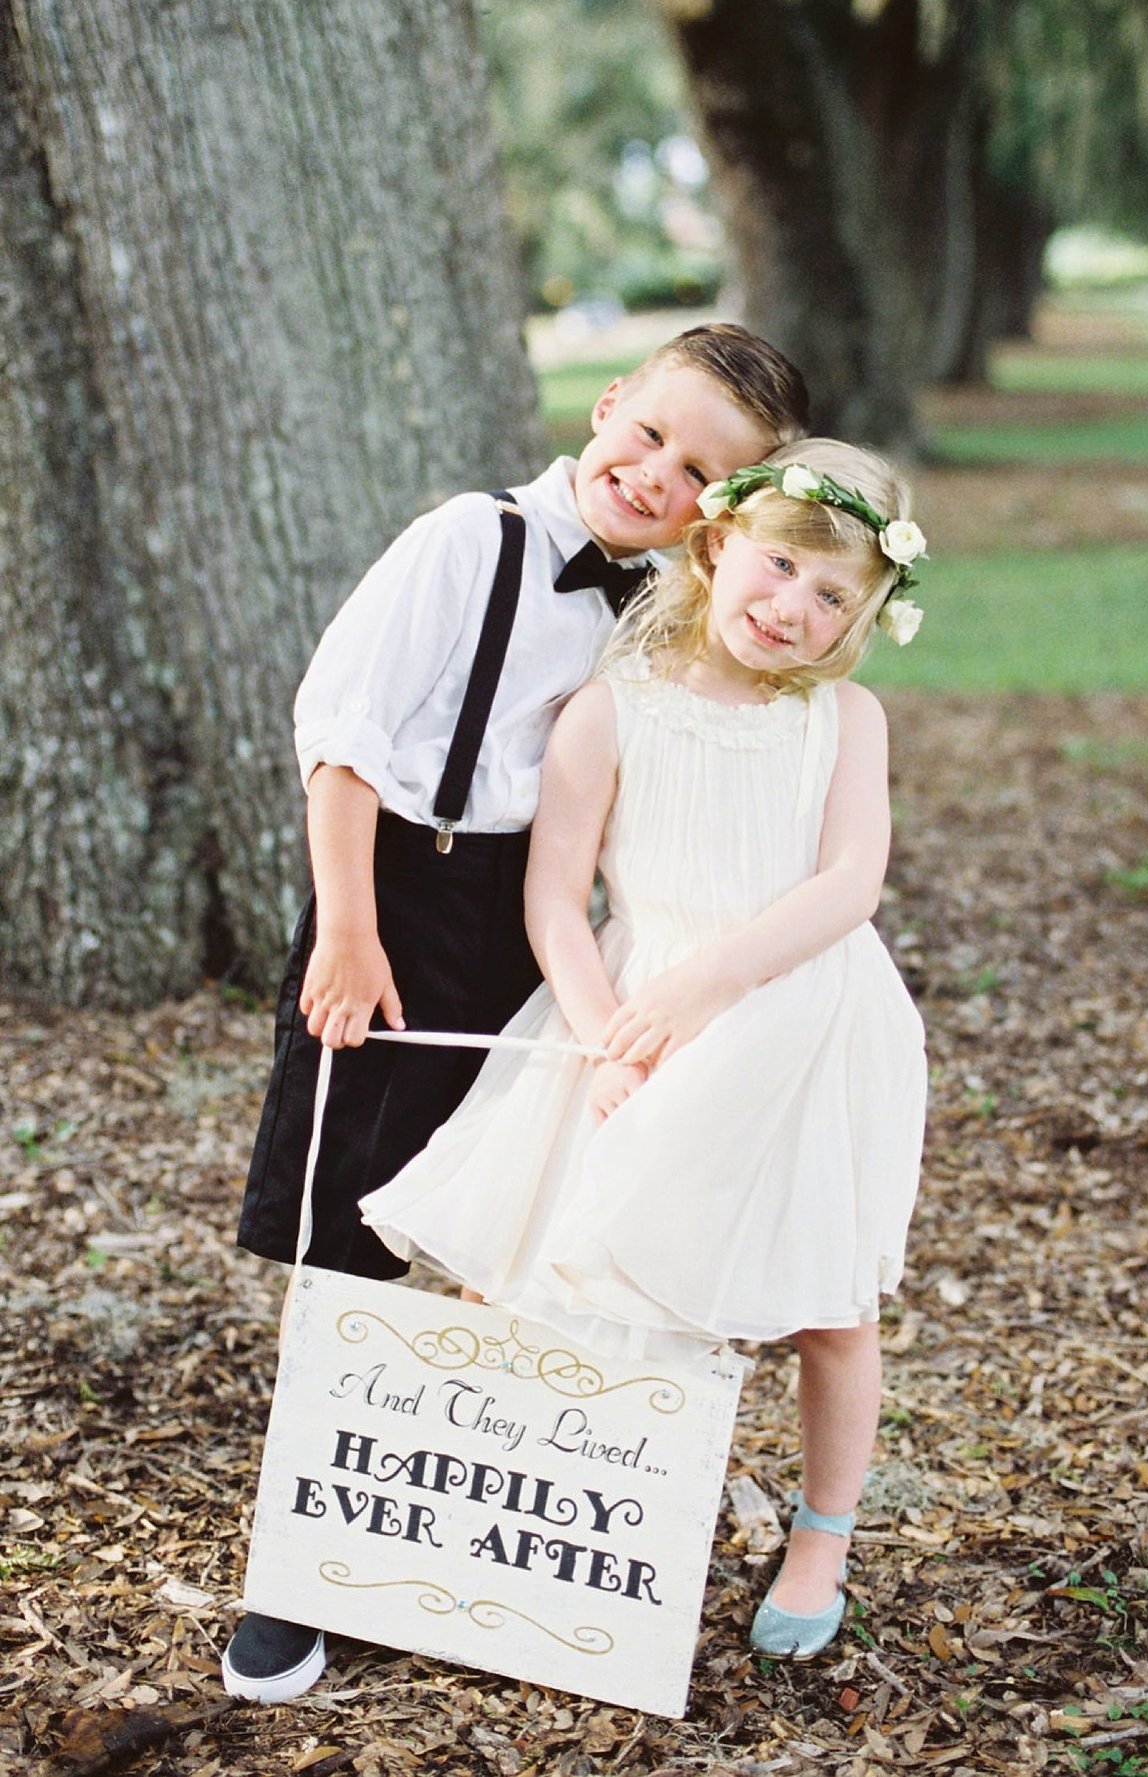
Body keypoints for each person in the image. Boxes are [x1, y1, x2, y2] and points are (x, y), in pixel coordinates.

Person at [223, 325, 811, 1703]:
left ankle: (447, 1527)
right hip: (398, 895)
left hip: (535, 924)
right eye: (651, 434)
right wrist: (353, 932)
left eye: (700, 471)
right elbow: (341, 735)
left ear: (721, 506)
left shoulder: (666, 599)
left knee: (512, 1214)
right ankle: (290, 1576)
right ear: (608, 406)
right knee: (352, 1223)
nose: (656, 473)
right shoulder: (464, 541)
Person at [359, 438, 929, 1663]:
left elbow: (851, 881)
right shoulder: (611, 706)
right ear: (719, 545)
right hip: (622, 1014)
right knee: (532, 1260)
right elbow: (558, 897)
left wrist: (711, 984)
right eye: (780, 567)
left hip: (800, 1016)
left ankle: (822, 1532)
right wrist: (607, 1030)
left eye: (834, 596)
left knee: (827, 1298)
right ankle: (504, 1500)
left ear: (868, 615)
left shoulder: (846, 718)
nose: (794, 608)